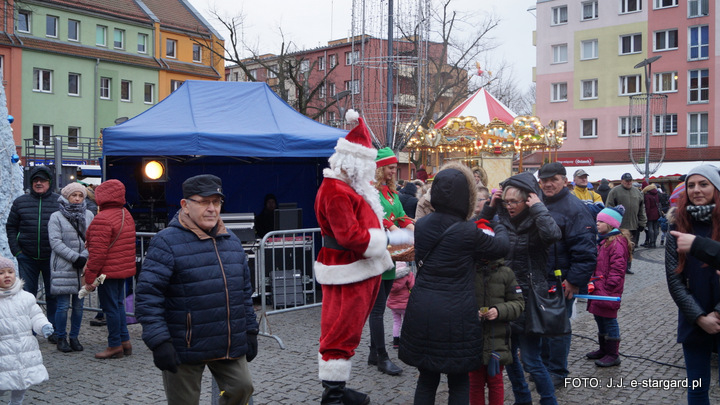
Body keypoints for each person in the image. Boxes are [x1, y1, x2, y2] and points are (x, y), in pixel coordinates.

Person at [136, 174, 258, 405]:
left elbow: (243, 292)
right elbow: (148, 295)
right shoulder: (166, 241)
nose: (212, 208)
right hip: (184, 345)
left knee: (242, 389)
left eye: (216, 202)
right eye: (204, 202)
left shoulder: (231, 240)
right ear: (185, 205)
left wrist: (250, 330)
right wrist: (159, 341)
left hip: (227, 342)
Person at [399, 162, 510, 405]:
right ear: (466, 196)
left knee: (426, 379)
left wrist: (487, 213)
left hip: (423, 308)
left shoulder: (424, 224)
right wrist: (498, 222)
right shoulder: (467, 232)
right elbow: (500, 247)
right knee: (459, 380)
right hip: (456, 313)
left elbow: (463, 230)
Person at [313, 110, 399, 405]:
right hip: (347, 269)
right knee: (341, 329)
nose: (370, 171)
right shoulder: (336, 190)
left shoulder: (351, 187)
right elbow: (350, 235)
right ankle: (333, 395)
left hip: (360, 268)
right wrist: (384, 240)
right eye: (367, 164)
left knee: (349, 329)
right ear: (354, 162)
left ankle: (336, 386)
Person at [480, 171, 561, 405]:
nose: (510, 206)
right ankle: (522, 399)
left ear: (527, 200)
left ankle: (548, 400)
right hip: (506, 298)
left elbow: (553, 234)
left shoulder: (538, 220)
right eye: (506, 201)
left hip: (532, 298)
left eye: (514, 201)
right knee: (509, 358)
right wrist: (490, 207)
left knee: (531, 359)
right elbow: (478, 230)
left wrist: (539, 208)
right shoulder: (502, 218)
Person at [537, 162, 597, 387]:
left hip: (562, 280)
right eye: (544, 180)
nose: (548, 184)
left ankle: (557, 371)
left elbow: (586, 250)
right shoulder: (540, 202)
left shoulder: (574, 208)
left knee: (558, 327)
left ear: (564, 180)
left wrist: (574, 280)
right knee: (541, 324)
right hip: (541, 277)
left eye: (554, 179)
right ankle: (542, 366)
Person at [665, 165, 720, 404]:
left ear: (716, 188)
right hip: (693, 319)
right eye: (691, 185)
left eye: (703, 184)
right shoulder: (677, 227)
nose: (696, 190)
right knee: (697, 389)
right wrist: (699, 317)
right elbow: (675, 282)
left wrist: (717, 313)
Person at [367, 146, 414, 377]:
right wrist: (392, 226)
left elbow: (401, 215)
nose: (395, 172)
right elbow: (375, 216)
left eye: (395, 168)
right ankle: (381, 356)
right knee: (377, 310)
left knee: (380, 307)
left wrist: (413, 226)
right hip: (377, 253)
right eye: (391, 168)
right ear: (381, 168)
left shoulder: (392, 194)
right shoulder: (371, 192)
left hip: (391, 255)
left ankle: (372, 353)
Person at [5, 165, 60, 343]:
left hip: (52, 257)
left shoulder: (59, 202)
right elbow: (11, 227)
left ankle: (52, 330)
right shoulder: (20, 202)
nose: (38, 183)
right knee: (28, 295)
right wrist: (17, 251)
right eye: (35, 180)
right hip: (27, 257)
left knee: (53, 295)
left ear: (49, 183)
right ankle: (30, 331)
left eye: (42, 180)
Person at [83, 179, 136, 359]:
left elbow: (98, 254)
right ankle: (125, 342)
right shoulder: (125, 214)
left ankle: (114, 345)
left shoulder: (102, 219)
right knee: (118, 304)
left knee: (110, 307)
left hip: (107, 271)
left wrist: (90, 276)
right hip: (122, 269)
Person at [469, 254, 524, 405]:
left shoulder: (506, 273)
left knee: (496, 382)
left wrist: (499, 311)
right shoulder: (468, 271)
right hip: (474, 338)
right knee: (474, 383)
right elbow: (457, 303)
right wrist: (473, 314)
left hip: (497, 338)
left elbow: (518, 304)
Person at [0, 256, 54, 405]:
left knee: (21, 379)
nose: (6, 275)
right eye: (1, 273)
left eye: (10, 272)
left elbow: (36, 315)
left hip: (24, 346)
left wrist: (43, 326)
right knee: (4, 379)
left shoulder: (26, 297)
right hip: (3, 349)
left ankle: (16, 402)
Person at [48, 183, 94, 353]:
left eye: (80, 195)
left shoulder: (89, 214)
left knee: (79, 306)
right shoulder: (56, 216)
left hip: (82, 267)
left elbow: (93, 238)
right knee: (62, 306)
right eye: (73, 195)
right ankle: (61, 337)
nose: (77, 198)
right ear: (66, 197)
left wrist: (84, 256)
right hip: (64, 266)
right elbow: (55, 241)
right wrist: (75, 257)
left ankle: (74, 337)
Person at [585, 206, 631, 368]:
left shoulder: (616, 242)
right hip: (599, 287)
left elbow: (618, 268)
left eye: (601, 221)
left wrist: (610, 285)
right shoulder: (603, 241)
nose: (597, 224)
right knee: (600, 317)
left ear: (611, 224)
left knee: (610, 320)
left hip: (608, 289)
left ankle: (613, 353)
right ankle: (604, 349)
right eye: (597, 221)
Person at [606, 173, 646, 274]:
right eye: (626, 180)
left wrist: (642, 222)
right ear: (622, 181)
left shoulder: (637, 192)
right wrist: (610, 223)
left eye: (630, 180)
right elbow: (609, 207)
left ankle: (628, 266)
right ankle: (617, 266)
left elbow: (642, 209)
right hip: (619, 226)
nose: (629, 182)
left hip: (633, 225)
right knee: (618, 248)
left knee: (630, 248)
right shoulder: (614, 191)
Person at [386, 262, 415, 349]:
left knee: (396, 322)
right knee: (407, 322)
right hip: (405, 304)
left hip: (394, 305)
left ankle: (396, 342)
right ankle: (406, 340)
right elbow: (413, 286)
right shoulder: (408, 274)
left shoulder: (391, 277)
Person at [642, 183, 661, 248]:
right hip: (657, 213)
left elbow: (648, 207)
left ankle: (651, 242)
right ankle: (654, 242)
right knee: (656, 228)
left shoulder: (647, 196)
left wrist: (646, 215)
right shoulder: (656, 194)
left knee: (650, 228)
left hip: (650, 214)